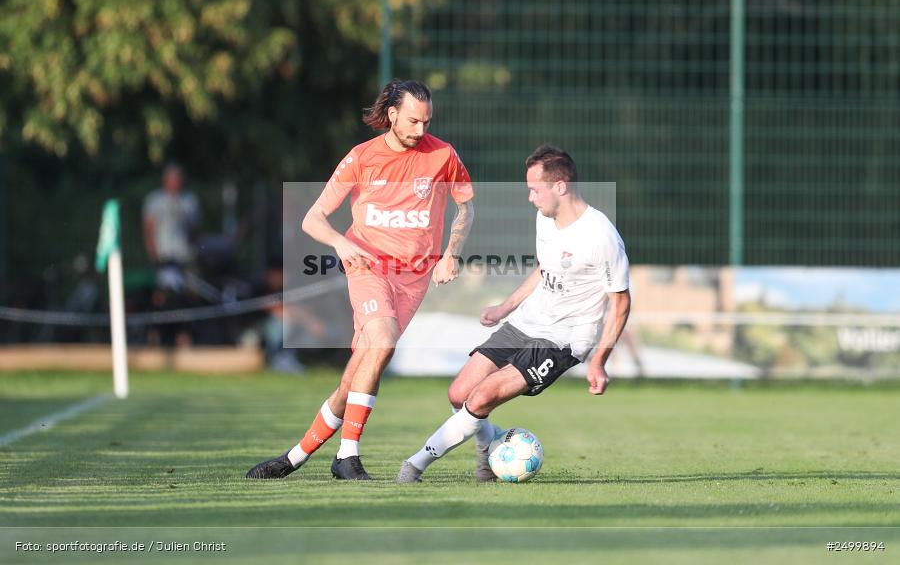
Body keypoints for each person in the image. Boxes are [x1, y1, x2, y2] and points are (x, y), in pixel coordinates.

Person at [246, 80, 475, 480]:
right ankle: (347, 457)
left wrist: (450, 253)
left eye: (426, 121)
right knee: (383, 343)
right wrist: (340, 243)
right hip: (367, 266)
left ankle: (295, 458)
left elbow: (466, 208)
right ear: (391, 115)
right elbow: (313, 219)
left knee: (359, 369)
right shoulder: (361, 158)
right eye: (413, 121)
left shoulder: (443, 155)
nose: (421, 130)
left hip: (414, 278)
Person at [395, 144, 631, 483]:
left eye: (535, 190)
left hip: (563, 339)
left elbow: (621, 302)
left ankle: (415, 465)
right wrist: (506, 307)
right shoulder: (546, 219)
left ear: (560, 186)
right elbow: (544, 268)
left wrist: (599, 361)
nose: (531, 198)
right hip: (526, 323)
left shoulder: (601, 236)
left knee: (483, 396)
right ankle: (490, 451)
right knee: (459, 394)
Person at [142, 162, 201, 346]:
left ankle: (185, 334)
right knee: (161, 296)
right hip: (163, 259)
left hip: (185, 258)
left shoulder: (189, 201)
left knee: (189, 295)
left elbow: (195, 231)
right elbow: (148, 230)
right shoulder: (155, 200)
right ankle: (156, 334)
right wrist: (154, 256)